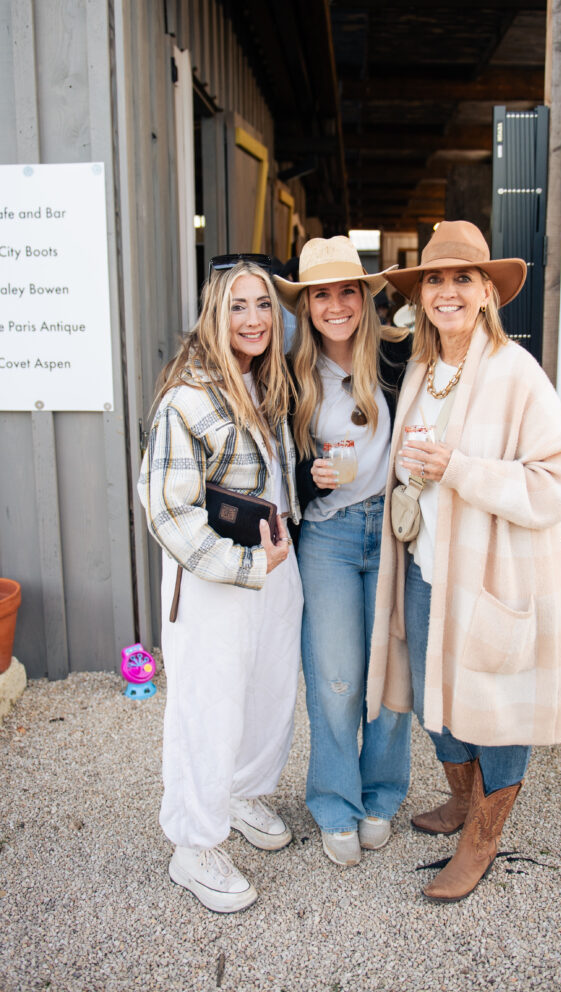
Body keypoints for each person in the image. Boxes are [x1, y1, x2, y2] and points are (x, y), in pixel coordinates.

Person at [367, 220, 561, 902]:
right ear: (420, 294)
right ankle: (460, 801)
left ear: (487, 292)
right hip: (430, 567)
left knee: (497, 705)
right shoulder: (424, 371)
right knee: (438, 705)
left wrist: (458, 470)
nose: (447, 291)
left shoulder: (516, 373)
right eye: (434, 278)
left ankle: (481, 838)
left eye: (463, 278)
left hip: (493, 575)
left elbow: (556, 483)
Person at [137, 255, 303, 913]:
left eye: (264, 304)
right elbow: (167, 509)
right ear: (215, 313)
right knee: (207, 706)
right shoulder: (188, 398)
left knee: (266, 694)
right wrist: (240, 568)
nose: (254, 318)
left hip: (272, 570)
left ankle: (240, 793)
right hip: (213, 580)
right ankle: (193, 844)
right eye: (238, 305)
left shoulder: (267, 387)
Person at [273, 236, 412, 867]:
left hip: (387, 531)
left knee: (388, 673)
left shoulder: (395, 361)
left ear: (363, 297)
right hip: (327, 537)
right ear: (306, 305)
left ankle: (381, 794)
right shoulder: (291, 374)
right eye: (320, 294)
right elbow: (279, 468)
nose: (335, 306)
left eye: (346, 291)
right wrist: (310, 479)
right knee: (334, 680)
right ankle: (335, 802)